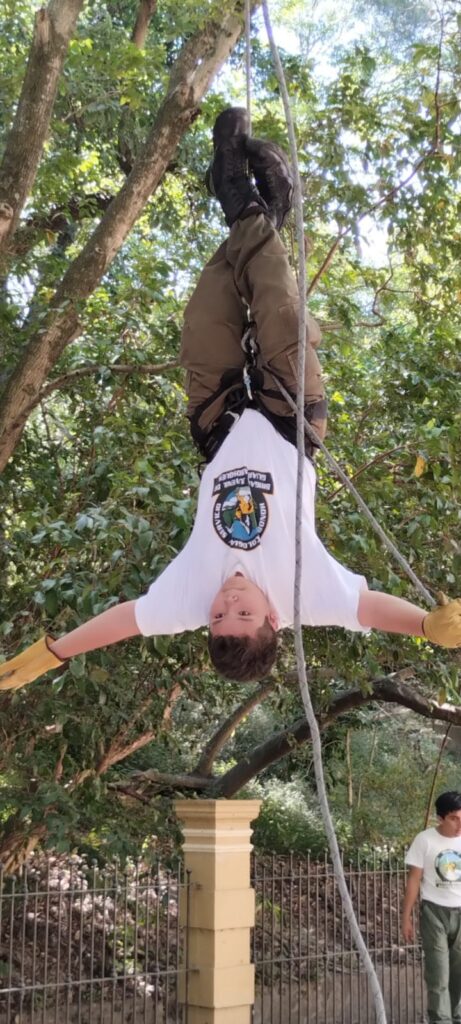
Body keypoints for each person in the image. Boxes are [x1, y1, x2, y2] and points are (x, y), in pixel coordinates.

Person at [1, 109, 461, 691]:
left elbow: (123, 622)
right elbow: (368, 608)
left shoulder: (186, 600)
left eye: (220, 616)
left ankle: (263, 212)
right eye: (243, 613)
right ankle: (240, 195)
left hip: (217, 426)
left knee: (205, 313)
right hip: (290, 421)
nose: (227, 602)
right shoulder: (306, 596)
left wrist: (52, 653)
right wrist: (425, 626)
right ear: (274, 620)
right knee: (283, 316)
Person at [402, 791, 461, 1024]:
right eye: (454, 819)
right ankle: (440, 1020)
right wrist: (406, 917)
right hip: (434, 913)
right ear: (440, 818)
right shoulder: (424, 840)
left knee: (458, 975)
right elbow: (414, 880)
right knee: (438, 975)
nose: (459, 825)